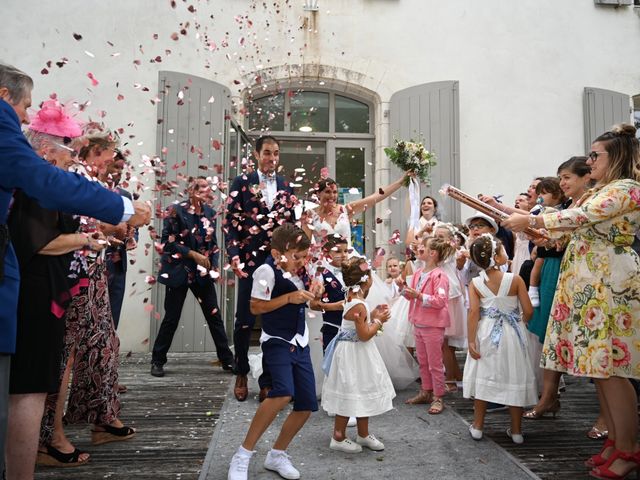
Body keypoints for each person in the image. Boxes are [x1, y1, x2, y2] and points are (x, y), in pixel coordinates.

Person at [0, 63, 151, 476]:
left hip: (48, 287)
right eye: (25, 106)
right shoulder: (28, 168)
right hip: (36, 289)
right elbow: (43, 209)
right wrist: (118, 210)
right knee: (30, 384)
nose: (26, 117)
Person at [503, 124, 640, 478]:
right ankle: (614, 443)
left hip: (608, 285)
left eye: (596, 155)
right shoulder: (602, 189)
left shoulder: (627, 189)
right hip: (588, 284)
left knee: (611, 370)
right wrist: (537, 229)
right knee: (599, 370)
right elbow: (573, 226)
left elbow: (579, 217)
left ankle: (629, 449)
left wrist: (534, 218)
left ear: (618, 157)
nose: (589, 160)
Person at [5, 101, 99, 476]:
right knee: (29, 388)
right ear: (46, 151)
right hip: (35, 292)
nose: (72, 160)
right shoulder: (38, 190)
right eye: (69, 152)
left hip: (40, 289)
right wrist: (86, 240)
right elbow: (40, 243)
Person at [39, 128, 138, 465]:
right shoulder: (66, 179)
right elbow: (75, 229)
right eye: (108, 160)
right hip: (71, 279)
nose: (112, 167)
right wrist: (113, 227)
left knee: (101, 346)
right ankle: (47, 437)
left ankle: (101, 419)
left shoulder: (88, 181)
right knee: (63, 358)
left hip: (92, 275)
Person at [227, 224, 321, 480]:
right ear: (277, 251)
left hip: (299, 341)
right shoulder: (266, 270)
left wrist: (315, 297)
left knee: (306, 404)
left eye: (303, 257)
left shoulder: (297, 274)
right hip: (277, 340)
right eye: (296, 257)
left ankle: (277, 454)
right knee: (282, 393)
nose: (300, 262)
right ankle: (242, 454)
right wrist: (290, 299)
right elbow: (256, 306)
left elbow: (307, 302)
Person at [225, 135, 296, 402]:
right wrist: (234, 255)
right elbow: (231, 223)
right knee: (244, 318)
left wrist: (293, 258)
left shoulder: (286, 185)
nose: (272, 158)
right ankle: (241, 371)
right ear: (256, 154)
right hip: (248, 261)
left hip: (276, 262)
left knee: (273, 320)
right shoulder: (242, 183)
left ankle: (267, 378)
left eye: (276, 153)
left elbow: (292, 224)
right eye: (267, 152)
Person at [523, 158, 590, 421]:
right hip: (563, 273)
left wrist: (537, 227)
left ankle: (608, 417)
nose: (562, 183)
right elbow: (555, 238)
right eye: (560, 178)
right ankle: (548, 397)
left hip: (584, 275)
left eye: (566, 177)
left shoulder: (588, 203)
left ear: (585, 177)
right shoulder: (570, 205)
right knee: (553, 336)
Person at [151, 176, 234, 377]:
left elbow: (213, 245)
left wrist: (213, 266)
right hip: (179, 271)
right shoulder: (176, 211)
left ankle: (227, 360)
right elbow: (167, 243)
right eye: (199, 187)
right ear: (190, 190)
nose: (204, 190)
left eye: (206, 187)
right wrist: (192, 254)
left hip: (202, 275)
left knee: (214, 316)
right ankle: (157, 361)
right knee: (171, 318)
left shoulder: (210, 213)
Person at [463, 235, 537, 444]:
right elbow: (529, 310)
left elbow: (474, 313)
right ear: (496, 256)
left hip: (486, 333)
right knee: (514, 374)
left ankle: (478, 426)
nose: (506, 253)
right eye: (503, 250)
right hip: (512, 333)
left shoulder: (475, 283)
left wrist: (471, 341)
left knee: (484, 375)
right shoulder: (515, 279)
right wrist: (520, 321)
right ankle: (516, 431)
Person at [321, 256, 395, 453]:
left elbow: (361, 327)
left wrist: (372, 316)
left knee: (361, 389)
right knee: (350, 390)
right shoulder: (358, 304)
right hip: (353, 353)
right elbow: (363, 335)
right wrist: (378, 321)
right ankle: (338, 436)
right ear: (366, 279)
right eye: (370, 274)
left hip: (356, 352)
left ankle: (363, 434)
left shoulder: (354, 298)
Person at [403, 237, 454, 414]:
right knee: (423, 361)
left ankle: (438, 396)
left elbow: (440, 301)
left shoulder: (440, 275)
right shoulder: (418, 273)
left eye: (423, 247)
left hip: (432, 325)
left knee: (435, 363)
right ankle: (426, 390)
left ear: (432, 253)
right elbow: (415, 295)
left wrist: (418, 296)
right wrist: (406, 293)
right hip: (419, 322)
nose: (419, 249)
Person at [102, 150, 136, 331]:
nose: (120, 172)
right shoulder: (93, 189)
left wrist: (132, 237)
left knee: (113, 316)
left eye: (122, 169)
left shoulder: (125, 195)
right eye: (116, 167)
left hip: (118, 265)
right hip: (98, 264)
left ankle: (109, 355)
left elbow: (131, 225)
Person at [433, 223, 467, 392]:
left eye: (441, 237)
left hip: (449, 296)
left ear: (450, 240)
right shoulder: (440, 252)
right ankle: (456, 375)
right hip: (443, 295)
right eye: (435, 236)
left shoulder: (450, 252)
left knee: (446, 343)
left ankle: (451, 380)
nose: (437, 239)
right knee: (445, 343)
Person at [309, 235, 348, 353]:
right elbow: (313, 304)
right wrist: (335, 306)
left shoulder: (351, 270)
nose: (344, 255)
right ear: (326, 253)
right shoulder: (321, 273)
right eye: (338, 251)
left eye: (346, 251)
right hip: (332, 329)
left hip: (353, 328)